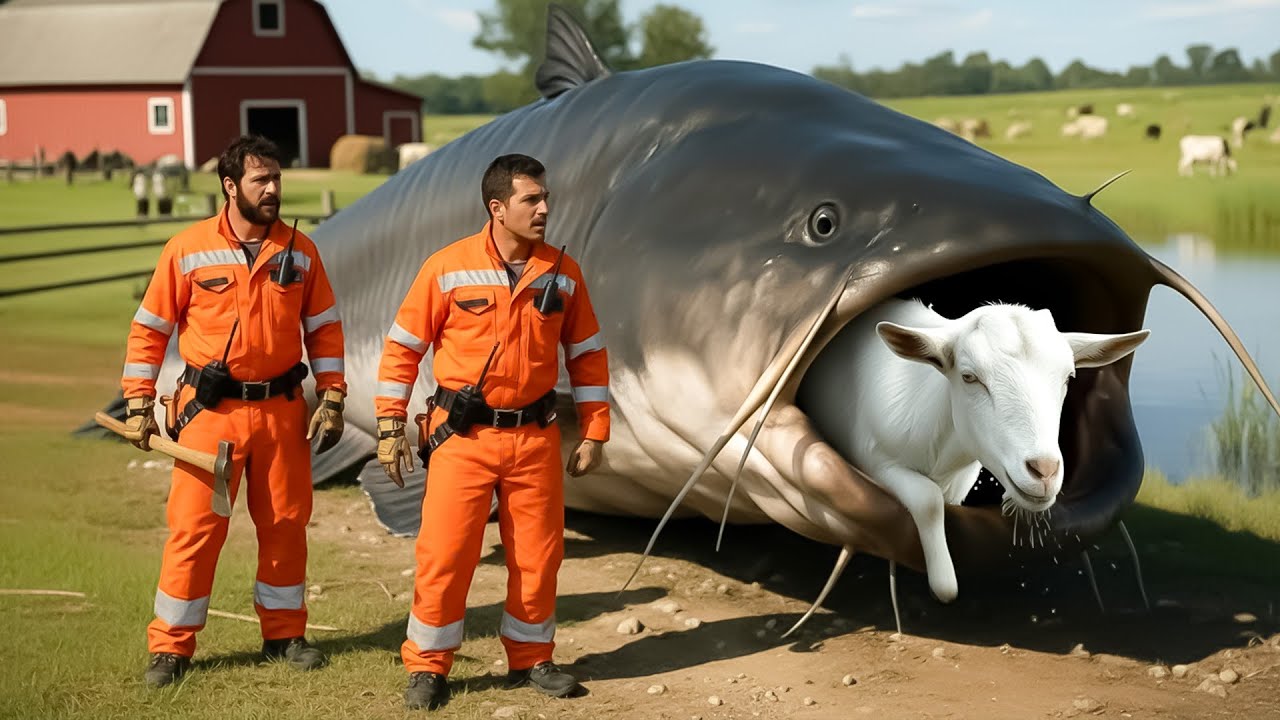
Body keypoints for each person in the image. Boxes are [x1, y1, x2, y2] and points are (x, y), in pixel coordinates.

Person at [375, 153, 610, 711]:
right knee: (446, 554)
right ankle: (429, 667)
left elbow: (588, 355)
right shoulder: (446, 267)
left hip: (534, 439)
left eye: (545, 197)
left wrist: (596, 429)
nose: (545, 208)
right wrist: (389, 423)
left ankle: (531, 659)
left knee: (538, 555)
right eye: (532, 199)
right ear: (498, 208)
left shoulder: (563, 271)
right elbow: (402, 348)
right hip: (462, 440)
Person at [118, 134, 348, 688]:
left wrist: (334, 393)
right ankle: (171, 648)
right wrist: (137, 401)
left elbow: (325, 329)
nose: (272, 190)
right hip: (209, 416)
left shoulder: (301, 250)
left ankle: (285, 636)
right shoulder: (187, 248)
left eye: (276, 179)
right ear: (230, 186)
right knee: (195, 530)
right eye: (259, 180)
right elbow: (150, 331)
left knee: (287, 526)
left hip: (283, 412)